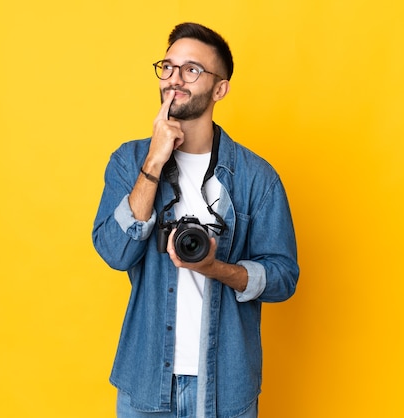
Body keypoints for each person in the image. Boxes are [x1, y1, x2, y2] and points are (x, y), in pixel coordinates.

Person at [92, 22, 299, 418]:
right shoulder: (129, 161)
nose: (175, 79)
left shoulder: (257, 177)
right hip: (145, 382)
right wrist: (154, 159)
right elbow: (115, 252)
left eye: (191, 70)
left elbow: (284, 277)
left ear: (219, 88)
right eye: (168, 67)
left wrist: (216, 268)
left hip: (226, 385)